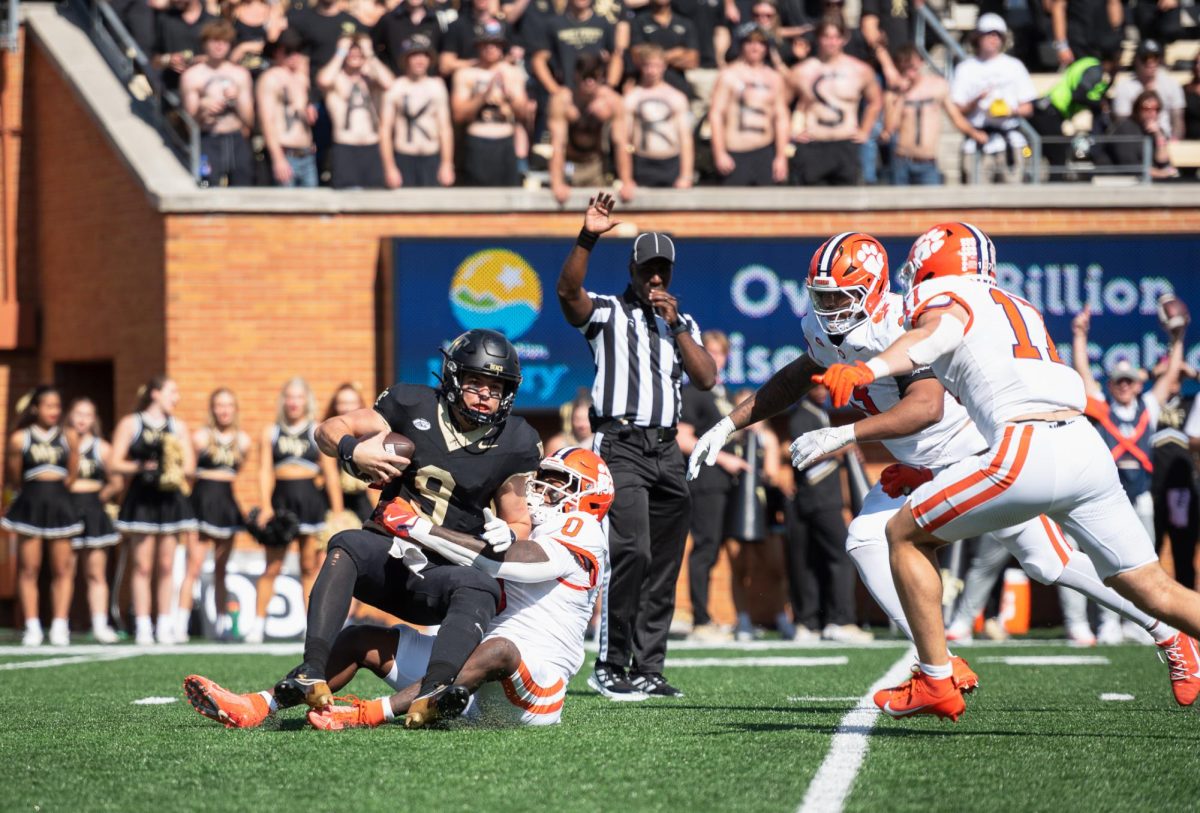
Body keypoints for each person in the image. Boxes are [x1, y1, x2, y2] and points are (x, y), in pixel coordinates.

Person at [688, 229, 1200, 706]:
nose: (826, 309)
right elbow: (798, 374)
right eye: (819, 296)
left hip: (975, 452)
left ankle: (1156, 632)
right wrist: (728, 425)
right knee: (869, 538)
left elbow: (926, 406)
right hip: (949, 457)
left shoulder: (910, 318)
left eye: (838, 297)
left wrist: (845, 433)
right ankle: (938, 661)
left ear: (873, 288)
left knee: (1037, 559)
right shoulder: (834, 329)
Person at [184, 446, 611, 729]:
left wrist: (420, 527)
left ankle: (369, 714)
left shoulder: (584, 527)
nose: (544, 488)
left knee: (498, 648)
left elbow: (516, 566)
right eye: (545, 478)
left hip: (532, 686)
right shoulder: (535, 525)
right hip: (471, 678)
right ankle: (258, 706)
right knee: (360, 639)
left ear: (590, 497)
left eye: (560, 482)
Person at [557, 192, 717, 700]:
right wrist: (587, 236)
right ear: (631, 270)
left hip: (667, 449)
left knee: (665, 561)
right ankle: (610, 661)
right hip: (621, 443)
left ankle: (649, 666)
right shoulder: (607, 312)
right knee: (632, 549)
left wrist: (675, 324)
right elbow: (567, 292)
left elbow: (708, 378)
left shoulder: (681, 324)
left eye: (661, 271)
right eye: (647, 270)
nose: (655, 279)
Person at [1072, 305, 1185, 640]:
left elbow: (1170, 375)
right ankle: (1107, 624)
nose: (1124, 386)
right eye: (1119, 381)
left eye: (1129, 381)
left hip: (1141, 495)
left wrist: (1177, 340)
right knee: (1108, 562)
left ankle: (1135, 623)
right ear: (1112, 384)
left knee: (1142, 561)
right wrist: (1079, 335)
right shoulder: (1102, 406)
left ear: (1138, 385)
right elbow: (1082, 372)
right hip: (1107, 496)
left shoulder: (1148, 407)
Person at [249, 377, 339, 642]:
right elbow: (264, 470)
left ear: (307, 401)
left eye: (299, 397)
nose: (293, 402)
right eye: (289, 397)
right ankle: (257, 625)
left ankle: (311, 628)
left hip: (311, 501)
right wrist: (265, 506)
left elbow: (330, 474)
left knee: (310, 566)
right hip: (281, 503)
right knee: (272, 566)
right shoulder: (271, 432)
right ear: (283, 401)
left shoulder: (317, 430)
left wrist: (336, 512)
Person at [111, 376, 198, 645]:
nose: (177, 397)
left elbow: (190, 468)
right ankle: (143, 625)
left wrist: (172, 464)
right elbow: (114, 462)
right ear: (155, 393)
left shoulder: (177, 426)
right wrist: (141, 467)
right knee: (142, 565)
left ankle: (164, 623)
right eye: (172, 392)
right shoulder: (131, 423)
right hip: (142, 500)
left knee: (166, 564)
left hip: (169, 499)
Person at [675, 330, 748, 640]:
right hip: (705, 481)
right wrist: (724, 460)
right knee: (704, 549)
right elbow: (683, 438)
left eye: (720, 354)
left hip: (724, 484)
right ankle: (701, 620)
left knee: (714, 548)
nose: (716, 359)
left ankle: (708, 617)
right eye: (710, 352)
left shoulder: (723, 394)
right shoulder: (693, 392)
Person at [786, 384, 868, 641]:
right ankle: (839, 620)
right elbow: (803, 455)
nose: (823, 390)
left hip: (824, 498)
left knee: (814, 561)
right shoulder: (801, 416)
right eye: (816, 385)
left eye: (826, 385)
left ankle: (810, 623)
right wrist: (841, 448)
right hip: (818, 499)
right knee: (841, 555)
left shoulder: (820, 414)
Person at [2, 387, 83, 647]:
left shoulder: (68, 436)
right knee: (29, 568)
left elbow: (71, 474)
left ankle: (60, 625)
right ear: (35, 408)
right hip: (31, 503)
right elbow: (15, 477)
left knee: (62, 569)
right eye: (48, 406)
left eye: (57, 406)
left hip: (59, 502)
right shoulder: (19, 439)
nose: (54, 411)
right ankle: (33, 626)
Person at [180, 388, 249, 642]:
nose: (224, 410)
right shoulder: (200, 437)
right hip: (201, 501)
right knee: (193, 565)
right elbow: (187, 471)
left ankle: (221, 625)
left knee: (221, 568)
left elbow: (237, 469)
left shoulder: (243, 441)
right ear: (212, 409)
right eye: (219, 405)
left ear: (235, 409)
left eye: (229, 405)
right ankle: (179, 624)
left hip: (226, 504)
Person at [788, 18, 880, 186]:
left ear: (844, 39)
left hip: (845, 144)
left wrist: (865, 130)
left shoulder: (860, 70)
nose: (831, 42)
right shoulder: (801, 71)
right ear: (818, 38)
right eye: (826, 37)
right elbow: (779, 103)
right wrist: (791, 131)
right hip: (813, 144)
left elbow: (875, 101)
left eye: (836, 37)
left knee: (848, 206)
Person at [949, 14, 1035, 185]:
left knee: (1015, 197)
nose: (992, 39)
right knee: (975, 199)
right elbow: (956, 109)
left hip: (1011, 141)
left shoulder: (1014, 66)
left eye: (997, 35)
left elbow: (1028, 107)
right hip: (977, 141)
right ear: (978, 38)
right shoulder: (965, 68)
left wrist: (1010, 110)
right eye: (988, 34)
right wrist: (975, 102)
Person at [884, 44, 988, 186]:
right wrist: (901, 96)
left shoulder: (937, 86)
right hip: (902, 160)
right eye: (905, 70)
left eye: (913, 69)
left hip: (927, 161)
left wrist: (974, 132)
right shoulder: (894, 93)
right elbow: (890, 127)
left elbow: (955, 117)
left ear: (921, 63)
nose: (910, 75)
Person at [65, 398, 122, 644]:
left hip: (93, 510)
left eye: (87, 415)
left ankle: (100, 625)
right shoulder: (62, 444)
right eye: (78, 413)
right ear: (70, 415)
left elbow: (116, 483)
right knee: (65, 572)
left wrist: (97, 499)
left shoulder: (102, 448)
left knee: (96, 573)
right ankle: (61, 625)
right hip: (65, 509)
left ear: (94, 419)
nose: (82, 419)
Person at [709, 24, 789, 186]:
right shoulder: (728, 75)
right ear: (741, 45)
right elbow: (716, 114)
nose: (755, 47)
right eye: (749, 42)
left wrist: (781, 156)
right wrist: (719, 152)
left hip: (764, 151)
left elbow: (781, 118)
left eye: (760, 43)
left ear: (767, 47)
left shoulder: (774, 78)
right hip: (735, 152)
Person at [452, 21, 529, 187]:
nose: (490, 48)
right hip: (476, 143)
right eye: (486, 44)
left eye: (495, 44)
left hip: (505, 143)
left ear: (502, 46)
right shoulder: (466, 74)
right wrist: (482, 96)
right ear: (478, 46)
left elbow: (524, 114)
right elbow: (458, 115)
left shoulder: (512, 72)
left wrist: (509, 95)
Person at [547, 53, 632, 204]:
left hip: (596, 164)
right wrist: (557, 183)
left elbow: (621, 142)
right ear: (576, 76)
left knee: (597, 210)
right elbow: (557, 144)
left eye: (594, 77)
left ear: (601, 78)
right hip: (570, 164)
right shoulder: (563, 100)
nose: (590, 82)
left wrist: (626, 181)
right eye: (585, 77)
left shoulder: (612, 101)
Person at [180, 20, 255, 187]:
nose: (220, 46)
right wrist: (203, 107)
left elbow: (250, 119)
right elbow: (189, 124)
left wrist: (236, 101)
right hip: (209, 139)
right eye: (215, 41)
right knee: (207, 186)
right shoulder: (192, 76)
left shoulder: (240, 74)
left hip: (236, 139)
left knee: (244, 189)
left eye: (224, 42)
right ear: (205, 43)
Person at [318, 33, 394, 190]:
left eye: (359, 52)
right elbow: (323, 80)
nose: (355, 55)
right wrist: (341, 52)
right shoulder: (336, 79)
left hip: (372, 147)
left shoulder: (372, 80)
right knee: (347, 200)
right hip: (345, 147)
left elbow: (390, 83)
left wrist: (369, 54)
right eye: (351, 51)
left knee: (374, 200)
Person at [379, 35, 455, 189]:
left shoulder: (437, 87)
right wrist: (389, 167)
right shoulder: (396, 87)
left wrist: (447, 164)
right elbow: (385, 130)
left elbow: (445, 128)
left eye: (424, 56)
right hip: (403, 157)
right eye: (414, 56)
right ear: (406, 59)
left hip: (431, 157)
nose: (419, 60)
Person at [1028, 49, 1119, 176]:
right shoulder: (1095, 69)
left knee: (1052, 157)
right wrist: (1099, 105)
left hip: (1048, 112)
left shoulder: (1088, 65)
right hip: (1049, 112)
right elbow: (1079, 94)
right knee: (1058, 159)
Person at [622, 44, 693, 190]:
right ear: (641, 67)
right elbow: (624, 140)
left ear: (664, 66)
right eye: (648, 66)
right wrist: (626, 178)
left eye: (656, 66)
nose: (652, 71)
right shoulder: (632, 97)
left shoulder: (676, 97)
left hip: (670, 163)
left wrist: (686, 175)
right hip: (642, 163)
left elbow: (685, 139)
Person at [257, 29, 319, 188]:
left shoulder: (300, 78)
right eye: (289, 51)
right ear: (278, 52)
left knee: (313, 209)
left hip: (306, 154)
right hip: (286, 154)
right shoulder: (271, 78)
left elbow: (307, 117)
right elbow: (267, 121)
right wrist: (278, 159)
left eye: (298, 51)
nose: (295, 56)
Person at [531, 0, 619, 97]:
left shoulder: (603, 23)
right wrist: (555, 90)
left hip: (596, 94)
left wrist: (609, 86)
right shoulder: (553, 24)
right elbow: (539, 60)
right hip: (567, 93)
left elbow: (616, 56)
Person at [322, 382, 377, 523]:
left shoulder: (368, 434)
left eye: (352, 402)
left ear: (360, 405)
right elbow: (331, 476)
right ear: (335, 406)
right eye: (342, 403)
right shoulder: (328, 435)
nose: (347, 407)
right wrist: (338, 514)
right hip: (335, 500)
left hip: (361, 500)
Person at [1096, 90, 1180, 180]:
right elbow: (1130, 166)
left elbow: (1163, 163)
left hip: (1141, 180)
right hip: (1114, 180)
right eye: (1146, 108)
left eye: (1156, 109)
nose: (1152, 113)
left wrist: (1158, 135)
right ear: (1137, 109)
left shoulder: (1157, 130)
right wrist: (1159, 173)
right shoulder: (1125, 128)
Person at [1113, 40, 1186, 142]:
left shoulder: (1171, 84)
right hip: (1135, 140)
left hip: (1166, 140)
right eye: (1145, 58)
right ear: (1137, 60)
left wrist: (1174, 141)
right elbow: (1121, 122)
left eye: (1155, 58)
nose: (1150, 62)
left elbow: (1177, 118)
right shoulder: (1124, 86)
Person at [624, 0, 699, 98]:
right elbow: (637, 56)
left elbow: (692, 61)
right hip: (646, 85)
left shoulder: (685, 23)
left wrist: (651, 57)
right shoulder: (639, 21)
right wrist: (676, 54)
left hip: (678, 85)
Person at [153, 0, 216, 91]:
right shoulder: (164, 19)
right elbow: (152, 59)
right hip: (173, 90)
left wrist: (206, 60)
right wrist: (168, 59)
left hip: (207, 90)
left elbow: (227, 60)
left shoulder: (214, 22)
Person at [1045, 0, 1123, 70]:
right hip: (1078, 41)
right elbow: (1058, 8)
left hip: (1104, 39)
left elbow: (1114, 3)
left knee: (1105, 78)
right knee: (1084, 78)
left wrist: (1116, 36)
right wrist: (1062, 46)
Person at [373, 0, 443, 74]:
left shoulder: (435, 21)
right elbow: (372, 47)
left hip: (428, 82)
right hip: (395, 81)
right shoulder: (389, 20)